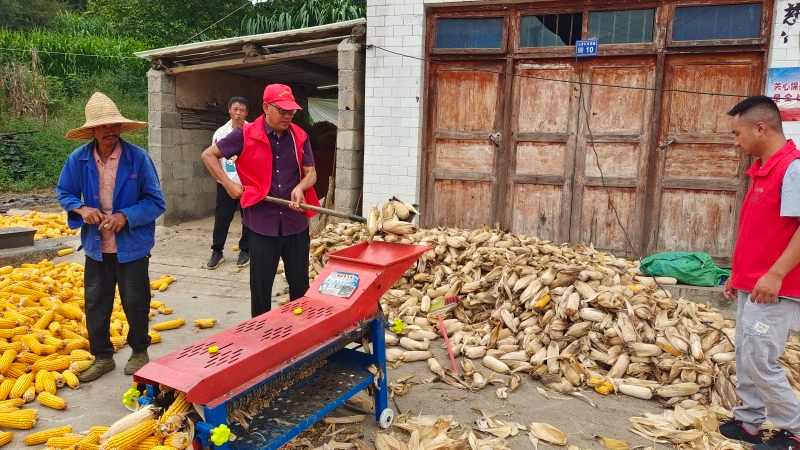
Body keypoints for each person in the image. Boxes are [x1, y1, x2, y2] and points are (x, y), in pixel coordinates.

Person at [57, 92, 166, 382]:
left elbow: (156, 202)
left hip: (132, 245)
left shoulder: (138, 159)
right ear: (92, 130)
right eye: (104, 127)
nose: (110, 131)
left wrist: (125, 215)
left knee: (136, 299)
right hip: (96, 245)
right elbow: (64, 192)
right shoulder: (78, 159)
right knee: (96, 301)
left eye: (114, 126)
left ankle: (139, 351)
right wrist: (80, 208)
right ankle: (103, 356)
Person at [721, 95, 800, 450]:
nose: (735, 142)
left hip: (775, 287)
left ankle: (794, 431)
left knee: (760, 356)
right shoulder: (763, 168)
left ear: (760, 127)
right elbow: (760, 231)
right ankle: (748, 421)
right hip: (752, 284)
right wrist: (736, 276)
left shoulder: (792, 168)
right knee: (746, 353)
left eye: (737, 134)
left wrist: (777, 274)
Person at [201, 84, 319, 317]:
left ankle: (303, 338)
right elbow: (208, 155)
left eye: (291, 112)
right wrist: (228, 183)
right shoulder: (245, 134)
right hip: (261, 223)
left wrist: (300, 187)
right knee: (261, 287)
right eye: (282, 110)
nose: (288, 116)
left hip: (295, 224)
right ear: (266, 107)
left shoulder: (299, 136)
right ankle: (260, 336)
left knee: (300, 286)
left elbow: (311, 173)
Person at [207, 96, 252, 269]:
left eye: (242, 110)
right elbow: (212, 158)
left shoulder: (252, 131)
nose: (238, 113)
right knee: (222, 219)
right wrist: (221, 181)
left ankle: (245, 250)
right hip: (226, 183)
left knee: (248, 218)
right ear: (229, 110)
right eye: (235, 109)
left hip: (247, 184)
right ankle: (217, 251)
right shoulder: (220, 133)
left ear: (247, 112)